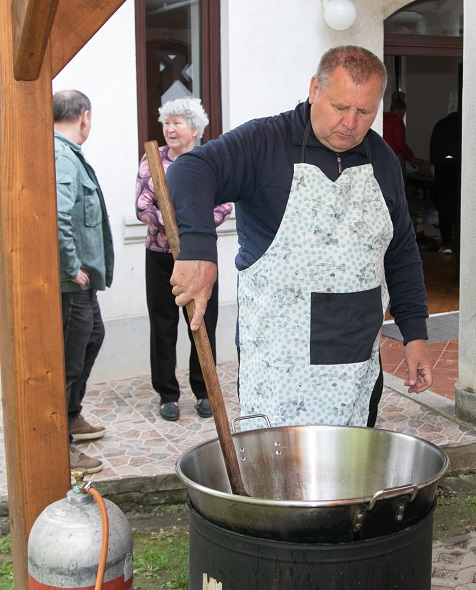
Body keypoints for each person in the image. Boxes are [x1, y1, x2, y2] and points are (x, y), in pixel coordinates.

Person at [167, 45, 433, 429]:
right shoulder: (264, 143)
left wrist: (415, 336)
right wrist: (197, 248)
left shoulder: (383, 160)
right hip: (279, 369)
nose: (351, 123)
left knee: (351, 477)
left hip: (356, 364)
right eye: (340, 107)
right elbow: (189, 171)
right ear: (314, 89)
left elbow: (402, 252)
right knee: (275, 477)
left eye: (365, 112)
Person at [135, 98, 232, 421]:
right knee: (162, 325)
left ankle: (203, 391)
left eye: (177, 122)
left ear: (195, 128)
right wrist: (178, 223)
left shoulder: (210, 159)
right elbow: (142, 206)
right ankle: (167, 395)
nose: (170, 129)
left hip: (200, 257)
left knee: (202, 322)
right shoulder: (152, 160)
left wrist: (184, 223)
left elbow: (222, 206)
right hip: (160, 256)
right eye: (166, 122)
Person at [54, 90, 114, 473]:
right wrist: (70, 267)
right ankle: (62, 447)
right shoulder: (62, 156)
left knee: (93, 337)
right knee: (69, 363)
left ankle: (72, 414)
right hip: (72, 282)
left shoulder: (65, 153)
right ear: (85, 117)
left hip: (83, 281)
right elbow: (58, 215)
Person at [429, 110, 460, 254]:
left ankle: (447, 243)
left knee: (445, 205)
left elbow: (433, 148)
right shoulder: (462, 124)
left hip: (441, 165)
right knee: (460, 204)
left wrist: (433, 162)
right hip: (458, 165)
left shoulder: (440, 124)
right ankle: (461, 242)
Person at [382, 90, 417, 173]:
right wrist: (411, 156)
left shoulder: (382, 119)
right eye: (404, 112)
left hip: (381, 156)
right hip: (394, 157)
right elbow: (399, 143)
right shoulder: (397, 121)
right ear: (400, 110)